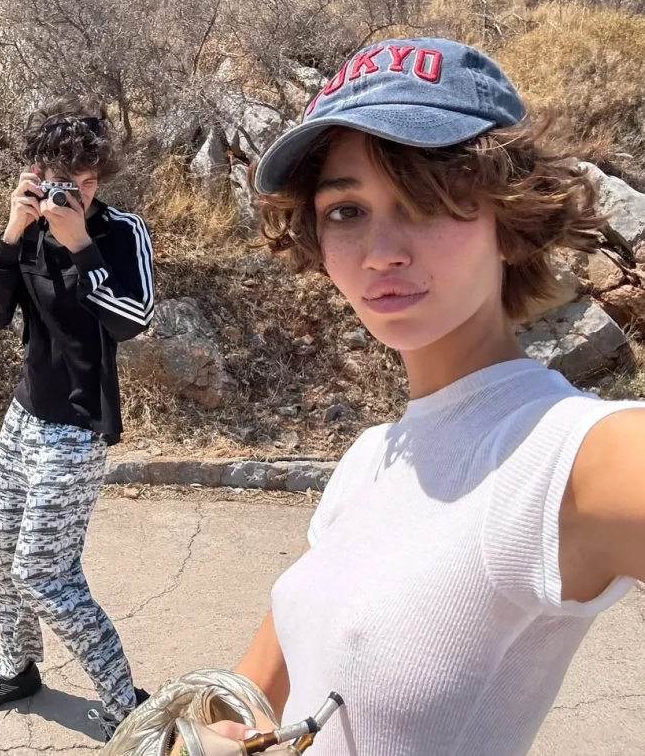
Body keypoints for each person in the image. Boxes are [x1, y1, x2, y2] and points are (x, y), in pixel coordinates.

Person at [213, 38, 645, 755]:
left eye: (428, 199)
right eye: (345, 210)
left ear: (510, 224)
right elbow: (248, 694)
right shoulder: (369, 459)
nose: (382, 251)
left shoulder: (570, 455)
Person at [0, 99, 154, 738]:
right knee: (2, 553)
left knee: (44, 574)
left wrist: (82, 247)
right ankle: (16, 668)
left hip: (77, 426)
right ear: (37, 173)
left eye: (90, 181)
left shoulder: (119, 232)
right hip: (23, 416)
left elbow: (134, 320)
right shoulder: (30, 226)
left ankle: (128, 707)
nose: (79, 193)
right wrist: (13, 232)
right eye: (66, 180)